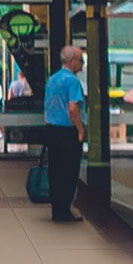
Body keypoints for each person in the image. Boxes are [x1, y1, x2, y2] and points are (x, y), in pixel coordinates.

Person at [45, 46, 89, 222]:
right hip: (67, 131)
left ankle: (57, 209)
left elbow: (48, 107)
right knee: (69, 172)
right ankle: (65, 210)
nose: (83, 64)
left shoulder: (52, 79)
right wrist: (80, 129)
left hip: (52, 129)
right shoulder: (72, 81)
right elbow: (73, 108)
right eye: (81, 60)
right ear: (72, 62)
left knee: (55, 171)